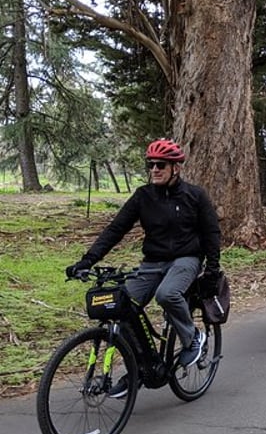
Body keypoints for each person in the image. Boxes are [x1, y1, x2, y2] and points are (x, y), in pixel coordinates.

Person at [66, 139, 221, 396]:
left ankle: (193, 337)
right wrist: (87, 260)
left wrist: (212, 269)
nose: (154, 170)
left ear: (176, 168)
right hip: (152, 262)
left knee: (167, 294)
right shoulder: (143, 196)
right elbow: (115, 229)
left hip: (186, 258)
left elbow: (211, 233)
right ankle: (141, 367)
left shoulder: (195, 195)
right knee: (122, 305)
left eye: (161, 165)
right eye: (151, 165)